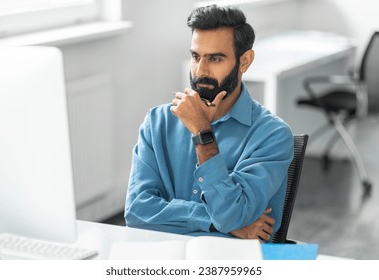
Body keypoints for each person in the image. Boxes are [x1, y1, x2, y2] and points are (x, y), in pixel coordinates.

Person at [124, 5, 293, 241]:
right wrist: (213, 222)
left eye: (215, 58)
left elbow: (232, 216)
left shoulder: (272, 135)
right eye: (195, 57)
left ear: (244, 62)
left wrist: (202, 132)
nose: (200, 71)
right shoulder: (157, 122)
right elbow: (137, 212)